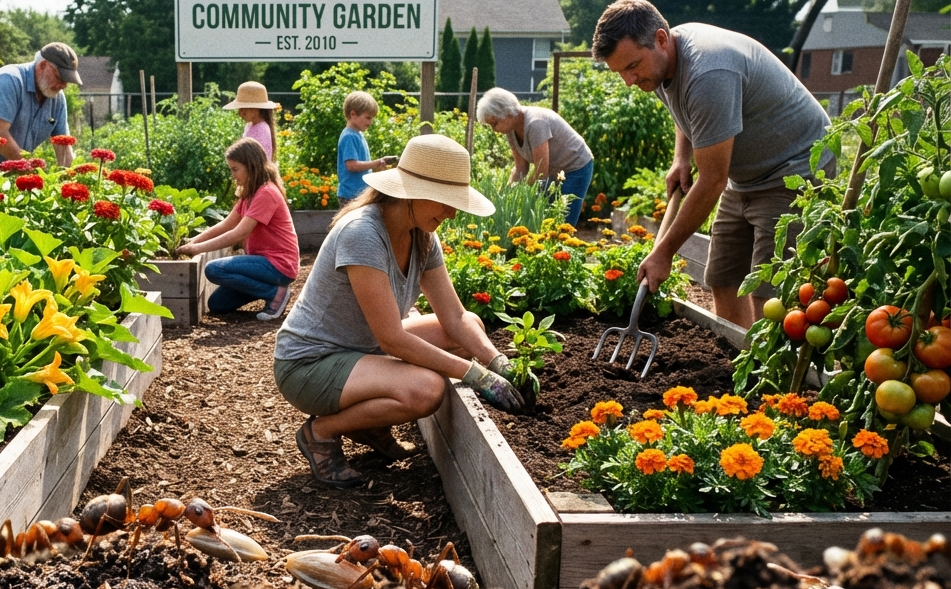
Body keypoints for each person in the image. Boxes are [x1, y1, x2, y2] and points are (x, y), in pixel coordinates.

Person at [274, 134, 523, 488]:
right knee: (426, 391)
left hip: (359, 351)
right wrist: (476, 376)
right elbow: (392, 339)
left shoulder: (422, 235)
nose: (452, 213)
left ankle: (369, 422)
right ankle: (321, 432)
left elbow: (454, 316)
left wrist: (497, 361)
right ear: (413, 191)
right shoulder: (362, 233)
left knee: (469, 333)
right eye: (448, 201)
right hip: (310, 363)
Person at [593, 0, 835, 327]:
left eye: (632, 66)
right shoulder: (661, 65)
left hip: (795, 168)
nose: (628, 80)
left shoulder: (709, 69)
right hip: (746, 176)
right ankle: (739, 360)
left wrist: (663, 252)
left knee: (770, 292)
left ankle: (770, 372)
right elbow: (688, 109)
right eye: (620, 71)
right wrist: (682, 157)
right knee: (722, 276)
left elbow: (712, 180)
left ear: (661, 39)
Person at [178, 138, 299, 321]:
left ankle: (275, 293)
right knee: (217, 305)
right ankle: (265, 288)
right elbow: (226, 225)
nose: (233, 175)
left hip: (278, 264)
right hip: (263, 265)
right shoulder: (250, 193)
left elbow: (239, 233)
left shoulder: (266, 192)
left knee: (214, 269)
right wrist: (193, 241)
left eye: (235, 169)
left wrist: (197, 249)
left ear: (251, 166)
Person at [0, 42, 81, 176]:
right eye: (59, 78)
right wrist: (32, 173)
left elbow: (64, 146)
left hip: (10, 166)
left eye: (67, 81)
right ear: (43, 65)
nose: (63, 85)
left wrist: (65, 178)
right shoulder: (10, 79)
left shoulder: (57, 98)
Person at [477, 87, 595, 226]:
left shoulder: (535, 124)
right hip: (554, 170)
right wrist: (505, 194)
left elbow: (541, 173)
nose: (494, 129)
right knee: (544, 221)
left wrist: (520, 192)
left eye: (494, 123)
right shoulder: (511, 129)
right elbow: (521, 168)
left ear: (507, 112)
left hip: (575, 167)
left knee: (563, 224)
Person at [336, 90, 398, 207]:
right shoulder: (349, 136)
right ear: (353, 114)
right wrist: (376, 163)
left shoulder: (358, 134)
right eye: (368, 117)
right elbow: (352, 165)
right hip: (350, 195)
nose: (370, 122)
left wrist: (378, 165)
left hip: (359, 194)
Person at [223, 81, 277, 161]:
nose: (240, 112)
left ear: (256, 107)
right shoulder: (250, 126)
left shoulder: (261, 129)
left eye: (244, 108)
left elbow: (256, 161)